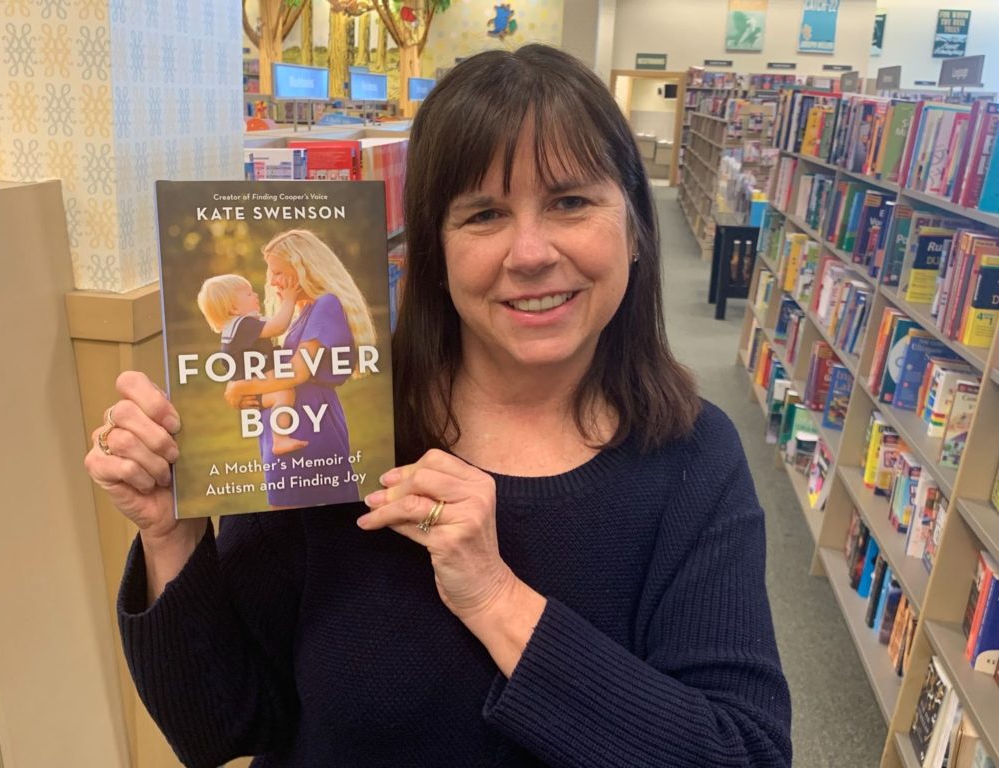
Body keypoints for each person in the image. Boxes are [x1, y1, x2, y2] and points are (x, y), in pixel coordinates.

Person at [84, 44, 792, 767]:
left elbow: (743, 753)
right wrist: (170, 537)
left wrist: (496, 599)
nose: (530, 252)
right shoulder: (349, 429)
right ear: (433, 253)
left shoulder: (694, 461)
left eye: (571, 201)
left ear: (636, 225)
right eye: (483, 214)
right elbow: (223, 727)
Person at [225, 227, 377, 507]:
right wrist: (253, 396)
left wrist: (242, 388)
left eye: (279, 272)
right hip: (290, 421)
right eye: (271, 273)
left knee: (300, 518)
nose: (272, 282)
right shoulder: (303, 311)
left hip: (308, 424)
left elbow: (299, 371)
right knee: (288, 522)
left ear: (304, 269)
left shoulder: (326, 305)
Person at [196, 273, 307, 457]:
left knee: (284, 392)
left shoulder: (241, 325)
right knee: (285, 393)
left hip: (255, 383)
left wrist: (284, 304)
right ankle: (280, 439)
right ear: (232, 308)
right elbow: (277, 327)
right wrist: (290, 299)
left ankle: (280, 439)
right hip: (255, 385)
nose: (255, 295)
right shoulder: (242, 325)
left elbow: (276, 323)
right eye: (248, 294)